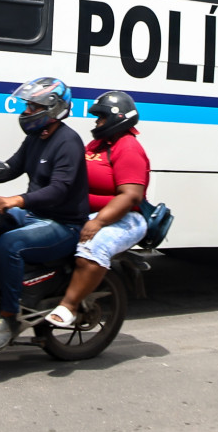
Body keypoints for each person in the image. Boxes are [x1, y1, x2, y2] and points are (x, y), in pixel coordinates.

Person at [0, 76, 89, 351]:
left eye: (32, 107)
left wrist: (16, 200)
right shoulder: (35, 138)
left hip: (64, 225)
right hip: (35, 216)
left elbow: (59, 190)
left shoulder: (69, 142)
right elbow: (9, 169)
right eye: (27, 106)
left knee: (9, 244)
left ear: (51, 109)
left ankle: (9, 316)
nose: (25, 112)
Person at [45, 91, 150, 329]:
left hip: (124, 218)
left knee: (92, 245)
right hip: (86, 213)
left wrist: (99, 222)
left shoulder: (128, 147)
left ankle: (69, 306)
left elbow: (130, 195)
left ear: (118, 118)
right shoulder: (97, 145)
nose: (96, 122)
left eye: (101, 118)